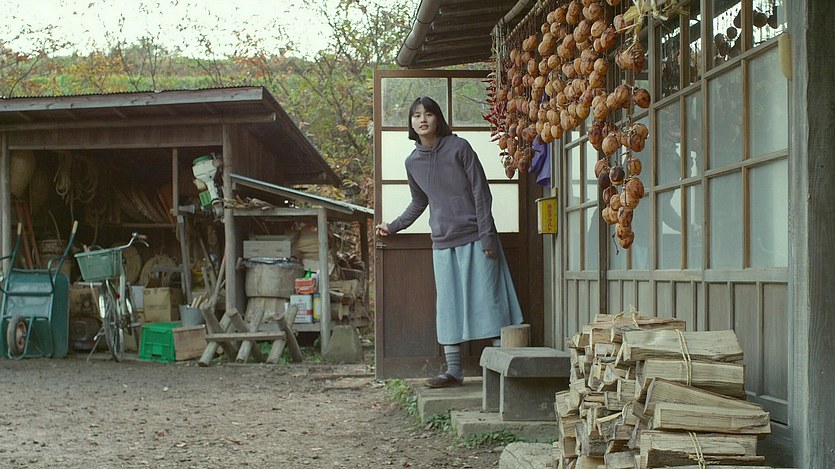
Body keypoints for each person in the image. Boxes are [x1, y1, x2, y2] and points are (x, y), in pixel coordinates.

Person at [375, 97, 524, 388]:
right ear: (411, 122)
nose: (422, 120)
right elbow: (419, 202)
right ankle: (454, 371)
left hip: (477, 238)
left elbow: (481, 193)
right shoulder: (412, 162)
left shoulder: (460, 147)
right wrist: (393, 226)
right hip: (442, 243)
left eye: (428, 114)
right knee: (449, 306)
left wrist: (487, 235)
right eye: (416, 115)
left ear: (438, 118)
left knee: (491, 302)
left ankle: (501, 372)